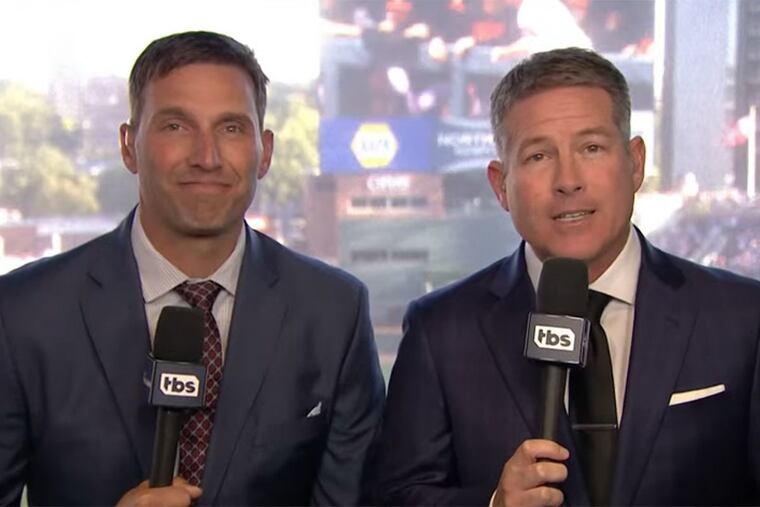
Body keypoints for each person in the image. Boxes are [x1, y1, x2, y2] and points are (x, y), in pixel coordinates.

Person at [0, 31, 385, 506]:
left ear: (264, 151)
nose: (207, 157)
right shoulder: (22, 315)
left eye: (230, 128)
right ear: (128, 144)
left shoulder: (333, 311)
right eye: (176, 126)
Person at [368, 47, 760, 506]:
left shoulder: (741, 317)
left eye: (591, 148)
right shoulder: (441, 331)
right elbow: (397, 497)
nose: (568, 180)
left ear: (635, 163)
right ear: (500, 185)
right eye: (537, 156)